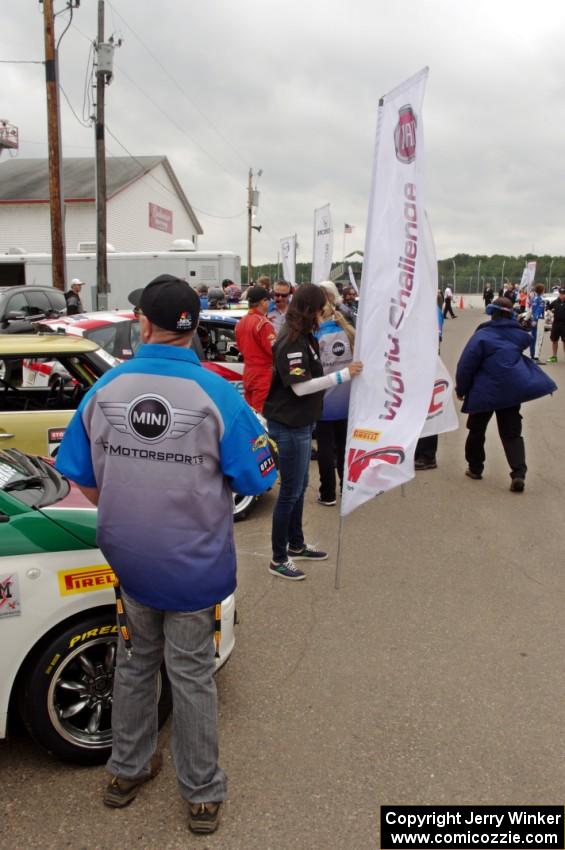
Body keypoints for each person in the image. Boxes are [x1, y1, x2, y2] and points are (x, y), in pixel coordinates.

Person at [55, 274, 276, 835]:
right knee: (192, 674)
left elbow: (79, 473)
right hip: (194, 562)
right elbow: (256, 473)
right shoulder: (218, 394)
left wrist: (127, 508)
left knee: (134, 662)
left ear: (144, 323)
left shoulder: (105, 388)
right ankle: (201, 793)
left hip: (129, 557)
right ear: (194, 326)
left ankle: (126, 771)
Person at [263, 284, 363, 580]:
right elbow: (300, 386)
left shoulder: (304, 337)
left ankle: (296, 544)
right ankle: (278, 557)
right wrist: (343, 375)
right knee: (290, 493)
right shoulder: (292, 341)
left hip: (303, 422)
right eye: (321, 308)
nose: (323, 313)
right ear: (310, 310)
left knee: (300, 487)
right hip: (289, 425)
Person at [455, 297, 557, 492]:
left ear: (492, 313)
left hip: (484, 391)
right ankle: (518, 473)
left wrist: (461, 390)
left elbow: (466, 366)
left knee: (477, 429)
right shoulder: (520, 336)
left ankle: (475, 468)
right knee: (511, 433)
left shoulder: (482, 336)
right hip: (511, 391)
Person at [314, 289, 356, 505]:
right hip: (347, 401)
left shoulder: (317, 337)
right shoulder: (348, 333)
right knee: (343, 448)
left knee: (325, 450)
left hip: (324, 400)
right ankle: (347, 489)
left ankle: (328, 493)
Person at [235, 285, 276, 413]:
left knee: (250, 415)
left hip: (248, 373)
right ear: (263, 302)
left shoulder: (240, 322)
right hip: (263, 375)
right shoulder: (263, 324)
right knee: (261, 417)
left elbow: (240, 347)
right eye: (268, 300)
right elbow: (274, 351)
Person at [546, 287, 565, 363]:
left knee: (564, 341)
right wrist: (549, 311)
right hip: (556, 324)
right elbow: (548, 307)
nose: (562, 295)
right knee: (554, 340)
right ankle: (554, 356)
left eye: (563, 294)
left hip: (564, 324)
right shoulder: (555, 302)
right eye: (561, 294)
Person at [529, 283, 546, 360]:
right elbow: (538, 310)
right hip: (539, 320)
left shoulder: (534, 298)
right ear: (542, 290)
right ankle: (536, 357)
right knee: (538, 338)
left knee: (534, 337)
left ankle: (532, 355)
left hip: (534, 319)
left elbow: (532, 310)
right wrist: (535, 319)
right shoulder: (541, 300)